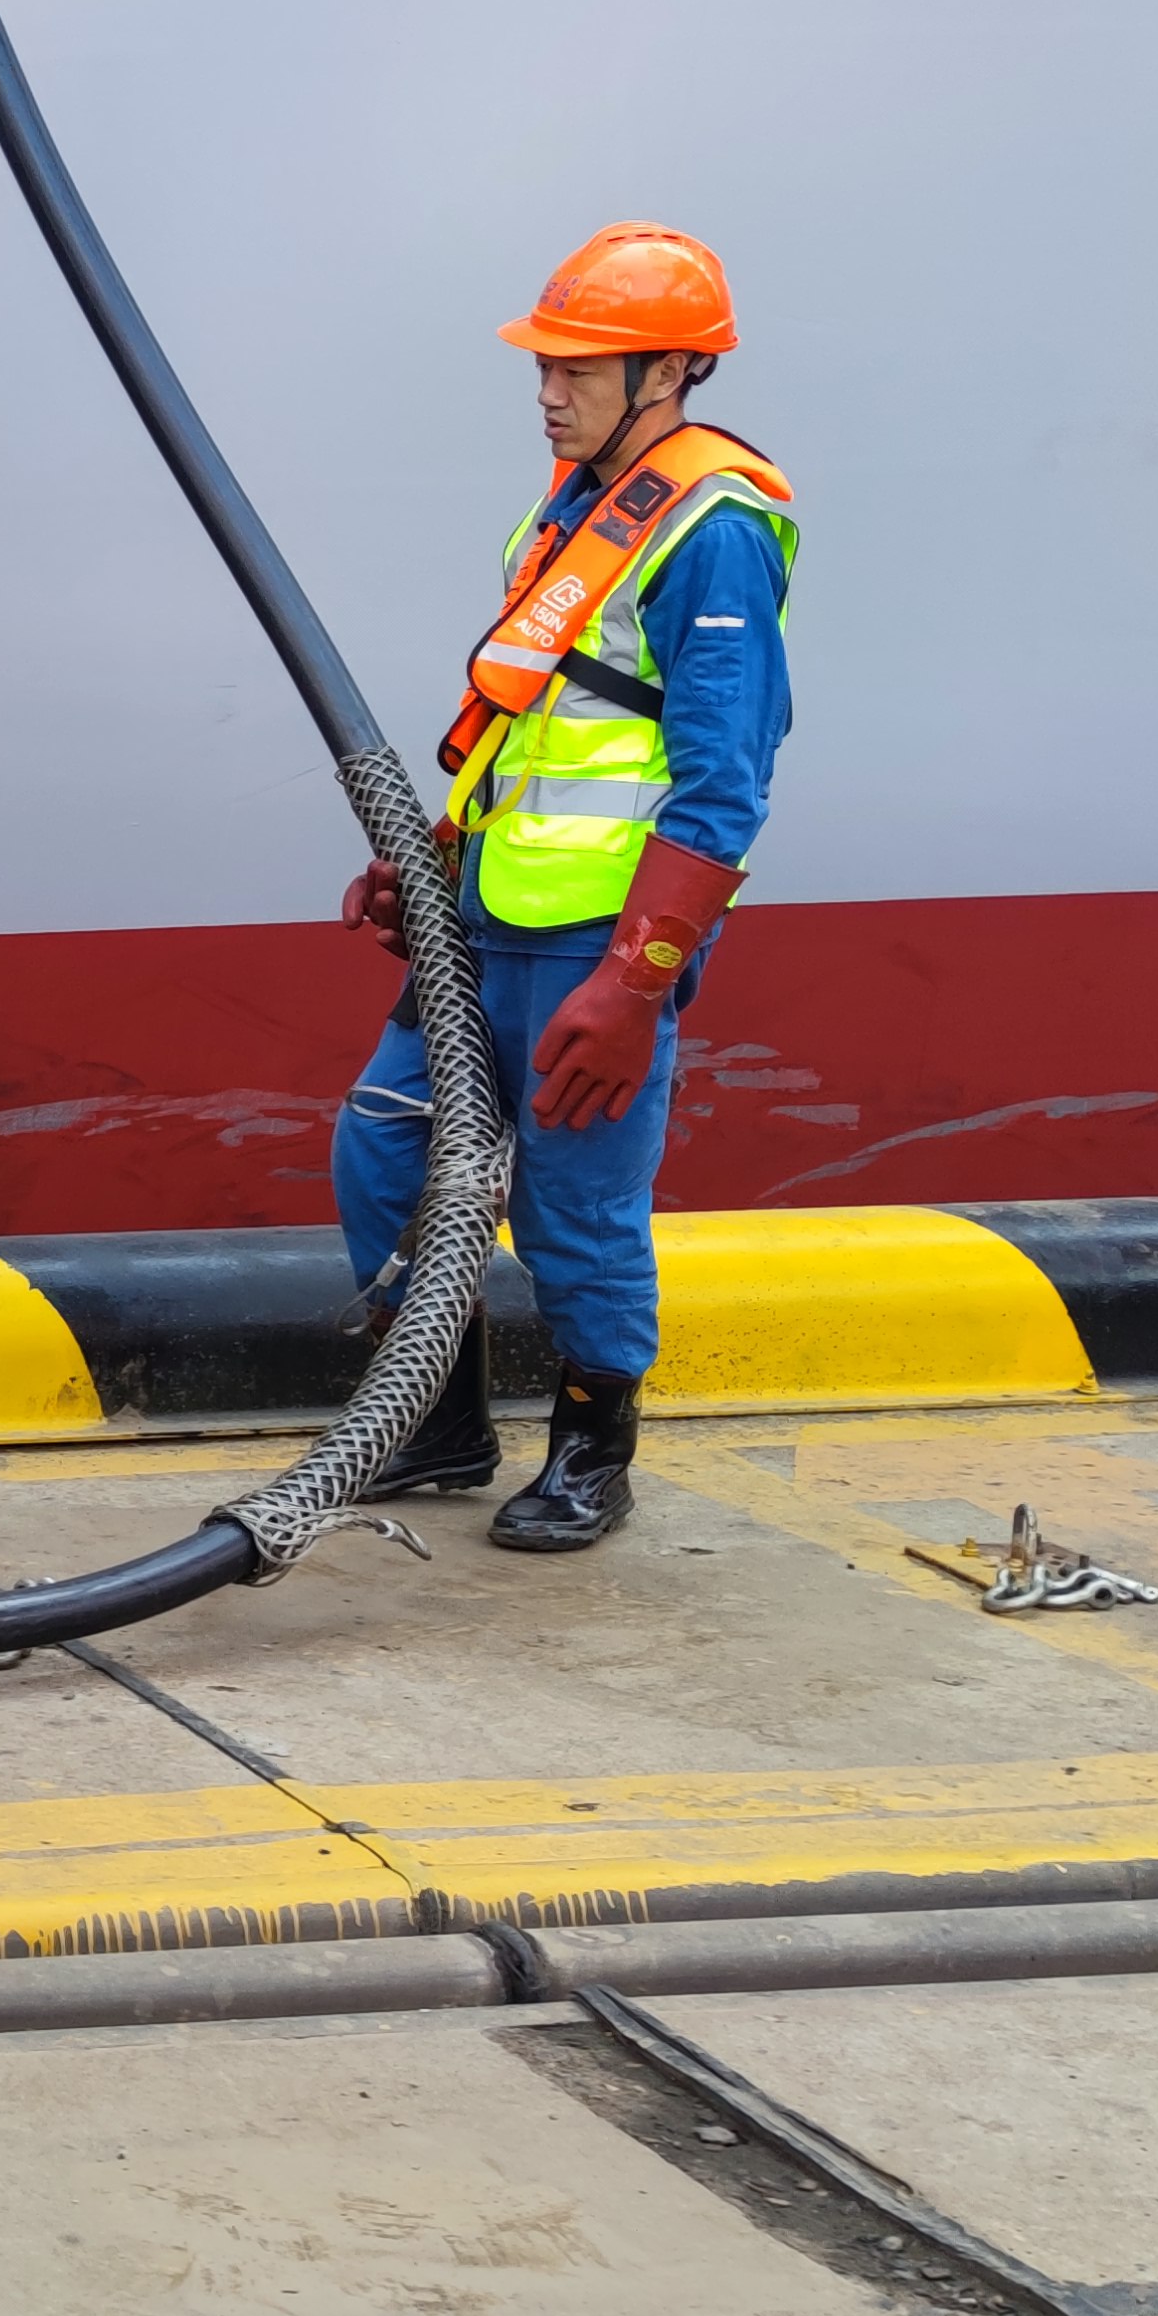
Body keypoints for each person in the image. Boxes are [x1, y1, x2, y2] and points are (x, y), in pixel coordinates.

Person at [336, 225, 798, 1554]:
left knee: (576, 1210)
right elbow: (539, 725)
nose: (549, 389)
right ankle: (439, 1418)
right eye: (545, 364)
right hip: (489, 915)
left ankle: (596, 1450)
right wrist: (436, 859)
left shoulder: (715, 531)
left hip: (598, 936)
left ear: (670, 371)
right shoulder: (572, 507)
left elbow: (726, 780)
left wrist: (636, 983)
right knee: (382, 1147)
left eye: (580, 368)